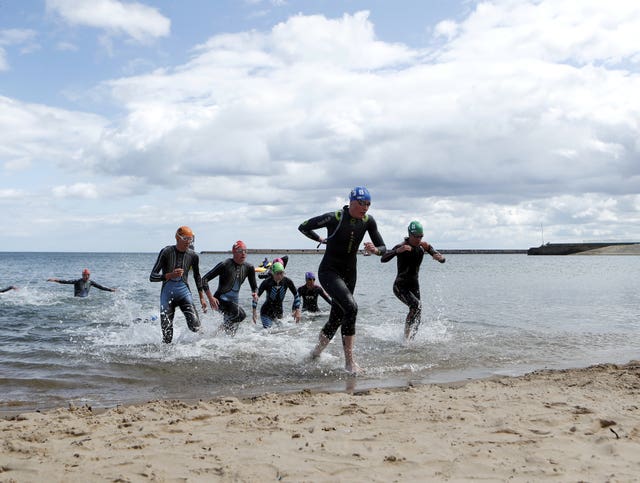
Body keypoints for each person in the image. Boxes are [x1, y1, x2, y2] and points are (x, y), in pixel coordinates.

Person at [298, 186, 386, 373]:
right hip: (329, 272)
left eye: (369, 204)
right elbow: (303, 227)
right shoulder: (335, 217)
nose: (365, 208)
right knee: (351, 308)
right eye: (362, 203)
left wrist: (375, 250)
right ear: (352, 202)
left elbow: (383, 247)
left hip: (350, 274)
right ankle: (349, 363)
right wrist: (320, 238)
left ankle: (315, 353)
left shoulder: (368, 221)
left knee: (337, 318)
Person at [381, 220, 446, 341]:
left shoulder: (423, 245)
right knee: (416, 306)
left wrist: (439, 257)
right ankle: (405, 339)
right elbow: (383, 259)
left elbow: (441, 258)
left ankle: (412, 340)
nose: (419, 239)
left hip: (414, 285)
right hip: (400, 286)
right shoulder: (402, 246)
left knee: (418, 312)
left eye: (421, 236)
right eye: (416, 236)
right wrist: (396, 251)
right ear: (410, 235)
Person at [149, 226, 207, 344]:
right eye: (185, 238)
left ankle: (205, 347)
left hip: (184, 293)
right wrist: (169, 275)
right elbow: (152, 277)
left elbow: (197, 276)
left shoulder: (193, 256)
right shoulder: (166, 252)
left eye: (190, 239)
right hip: (167, 295)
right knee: (167, 337)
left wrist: (202, 297)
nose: (188, 242)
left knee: (195, 327)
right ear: (177, 238)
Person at [202, 240, 258, 335]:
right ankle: (217, 331)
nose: (243, 253)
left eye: (245, 251)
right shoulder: (225, 264)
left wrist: (255, 293)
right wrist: (210, 298)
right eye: (240, 251)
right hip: (220, 301)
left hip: (233, 302)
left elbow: (254, 287)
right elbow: (204, 279)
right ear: (234, 252)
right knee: (241, 315)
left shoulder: (249, 267)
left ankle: (213, 337)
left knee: (231, 334)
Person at [252, 262, 301, 328]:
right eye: (277, 273)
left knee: (280, 334)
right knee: (268, 332)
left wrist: (297, 310)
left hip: (279, 312)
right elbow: (256, 296)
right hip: (266, 312)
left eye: (281, 273)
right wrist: (254, 312)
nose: (279, 276)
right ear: (273, 273)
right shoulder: (267, 282)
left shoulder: (287, 281)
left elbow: (296, 296)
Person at [47, 269, 116, 297]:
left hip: (85, 299)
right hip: (77, 299)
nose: (86, 277)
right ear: (82, 275)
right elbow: (65, 282)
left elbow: (100, 287)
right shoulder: (77, 281)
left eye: (87, 275)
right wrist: (55, 280)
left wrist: (110, 290)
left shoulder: (91, 282)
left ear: (89, 275)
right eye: (84, 275)